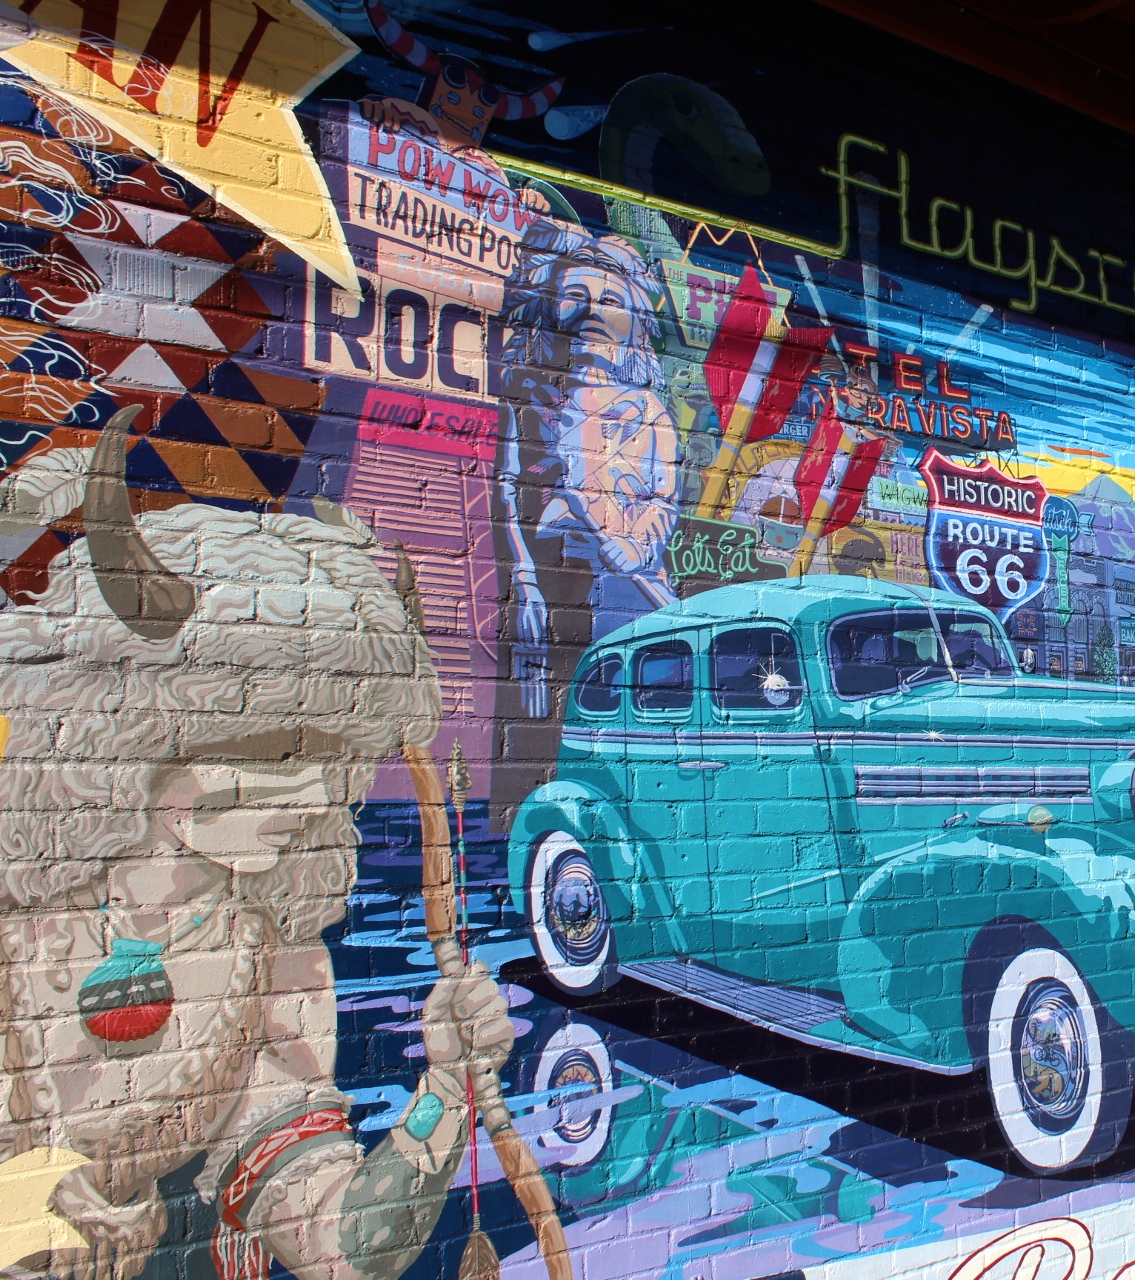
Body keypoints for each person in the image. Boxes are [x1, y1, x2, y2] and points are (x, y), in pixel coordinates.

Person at [0, 421, 513, 1280]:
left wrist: (443, 1093)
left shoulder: (270, 973)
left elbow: (338, 1246)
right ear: (130, 741)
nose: (310, 799)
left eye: (330, 760)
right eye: (271, 754)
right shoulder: (17, 930)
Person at [499, 218, 681, 718]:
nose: (593, 311)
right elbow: (505, 497)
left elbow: (664, 501)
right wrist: (524, 578)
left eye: (611, 300)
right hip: (553, 577)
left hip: (630, 585)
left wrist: (636, 546)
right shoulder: (526, 404)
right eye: (575, 295)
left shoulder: (648, 410)